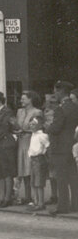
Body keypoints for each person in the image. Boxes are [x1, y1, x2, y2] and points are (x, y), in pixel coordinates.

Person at [45, 81, 78, 215]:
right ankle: (75, 204)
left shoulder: (60, 109)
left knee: (61, 178)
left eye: (56, 92)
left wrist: (48, 128)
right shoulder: (74, 107)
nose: (55, 95)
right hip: (70, 145)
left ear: (61, 91)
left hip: (59, 147)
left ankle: (62, 206)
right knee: (73, 177)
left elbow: (56, 127)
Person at [14, 91, 43, 205]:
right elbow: (17, 125)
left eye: (24, 99)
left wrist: (24, 131)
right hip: (21, 142)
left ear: (30, 99)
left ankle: (34, 197)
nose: (21, 101)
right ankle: (27, 196)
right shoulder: (19, 112)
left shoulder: (37, 112)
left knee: (30, 169)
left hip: (31, 141)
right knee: (23, 169)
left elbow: (37, 127)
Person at [28, 115, 50, 213]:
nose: (31, 126)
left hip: (39, 159)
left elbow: (48, 146)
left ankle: (41, 203)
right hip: (32, 159)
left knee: (39, 182)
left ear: (39, 125)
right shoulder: (33, 135)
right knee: (33, 181)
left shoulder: (42, 136)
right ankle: (36, 201)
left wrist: (44, 154)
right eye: (30, 124)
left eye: (33, 124)